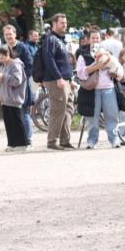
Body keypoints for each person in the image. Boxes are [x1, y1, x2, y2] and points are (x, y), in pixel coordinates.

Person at [77, 29, 123, 149]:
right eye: (93, 38)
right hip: (92, 90)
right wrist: (96, 67)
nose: (96, 40)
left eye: (98, 38)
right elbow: (80, 73)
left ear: (101, 39)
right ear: (88, 39)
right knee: (92, 117)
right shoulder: (83, 55)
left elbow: (119, 70)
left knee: (112, 115)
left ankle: (114, 139)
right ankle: (92, 141)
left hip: (109, 88)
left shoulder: (108, 53)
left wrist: (116, 72)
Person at [40, 13, 75, 150]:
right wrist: (58, 77)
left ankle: (65, 140)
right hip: (56, 80)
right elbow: (49, 59)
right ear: (54, 24)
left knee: (69, 109)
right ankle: (52, 141)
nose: (64, 25)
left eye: (65, 23)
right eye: (62, 23)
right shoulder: (50, 39)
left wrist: (69, 79)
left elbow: (63, 62)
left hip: (65, 80)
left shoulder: (60, 39)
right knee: (58, 110)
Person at [2, 25, 34, 145]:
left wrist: (19, 80)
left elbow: (30, 65)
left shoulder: (23, 48)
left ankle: (28, 139)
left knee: (23, 112)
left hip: (22, 87)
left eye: (10, 34)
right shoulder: (3, 49)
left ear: (15, 34)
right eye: (6, 34)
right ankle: (17, 141)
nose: (9, 36)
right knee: (12, 115)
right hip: (8, 87)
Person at [0, 44, 28, 151]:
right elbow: (4, 82)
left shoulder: (15, 64)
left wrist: (4, 76)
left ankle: (22, 143)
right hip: (6, 98)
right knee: (8, 122)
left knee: (16, 121)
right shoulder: (3, 65)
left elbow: (17, 81)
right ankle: (12, 144)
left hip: (14, 98)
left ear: (8, 54)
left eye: (2, 57)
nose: (1, 60)